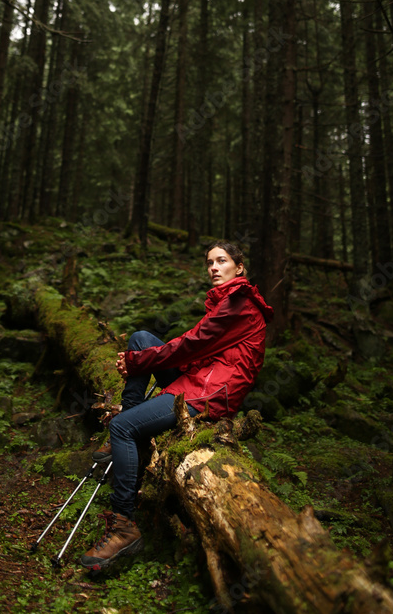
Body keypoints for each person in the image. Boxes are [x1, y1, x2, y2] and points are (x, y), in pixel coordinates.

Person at [80, 240, 273, 571]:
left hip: (210, 395)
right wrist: (140, 357)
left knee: (122, 427)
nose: (213, 267)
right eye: (209, 262)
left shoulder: (240, 305)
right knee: (142, 337)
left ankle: (125, 524)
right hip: (199, 379)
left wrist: (136, 363)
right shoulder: (226, 303)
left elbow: (191, 345)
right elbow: (190, 346)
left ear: (238, 268)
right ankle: (128, 423)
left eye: (221, 261)